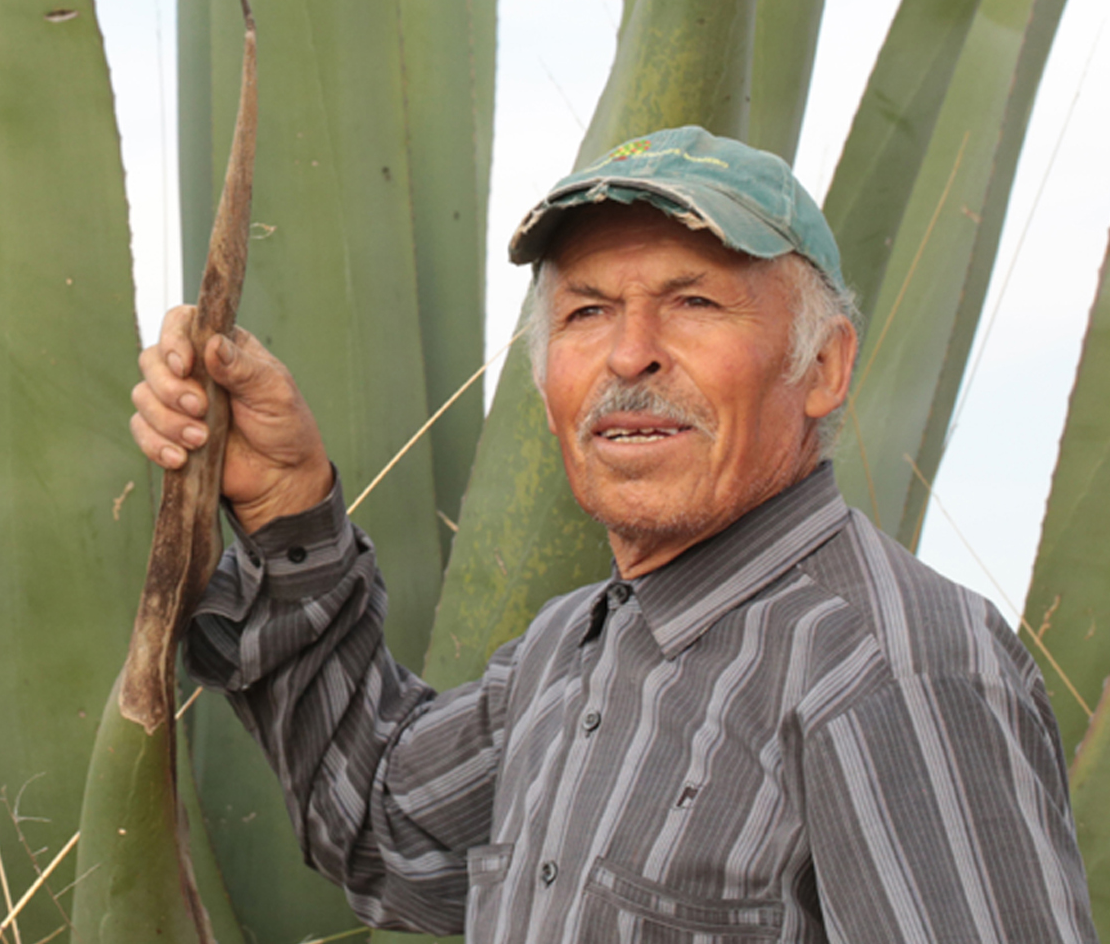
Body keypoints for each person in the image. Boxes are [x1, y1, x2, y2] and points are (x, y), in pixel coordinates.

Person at [130, 126, 1097, 942]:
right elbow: (383, 822)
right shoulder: (570, 651)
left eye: (694, 301)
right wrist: (288, 501)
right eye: (587, 311)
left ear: (824, 365)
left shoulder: (891, 671)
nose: (630, 352)